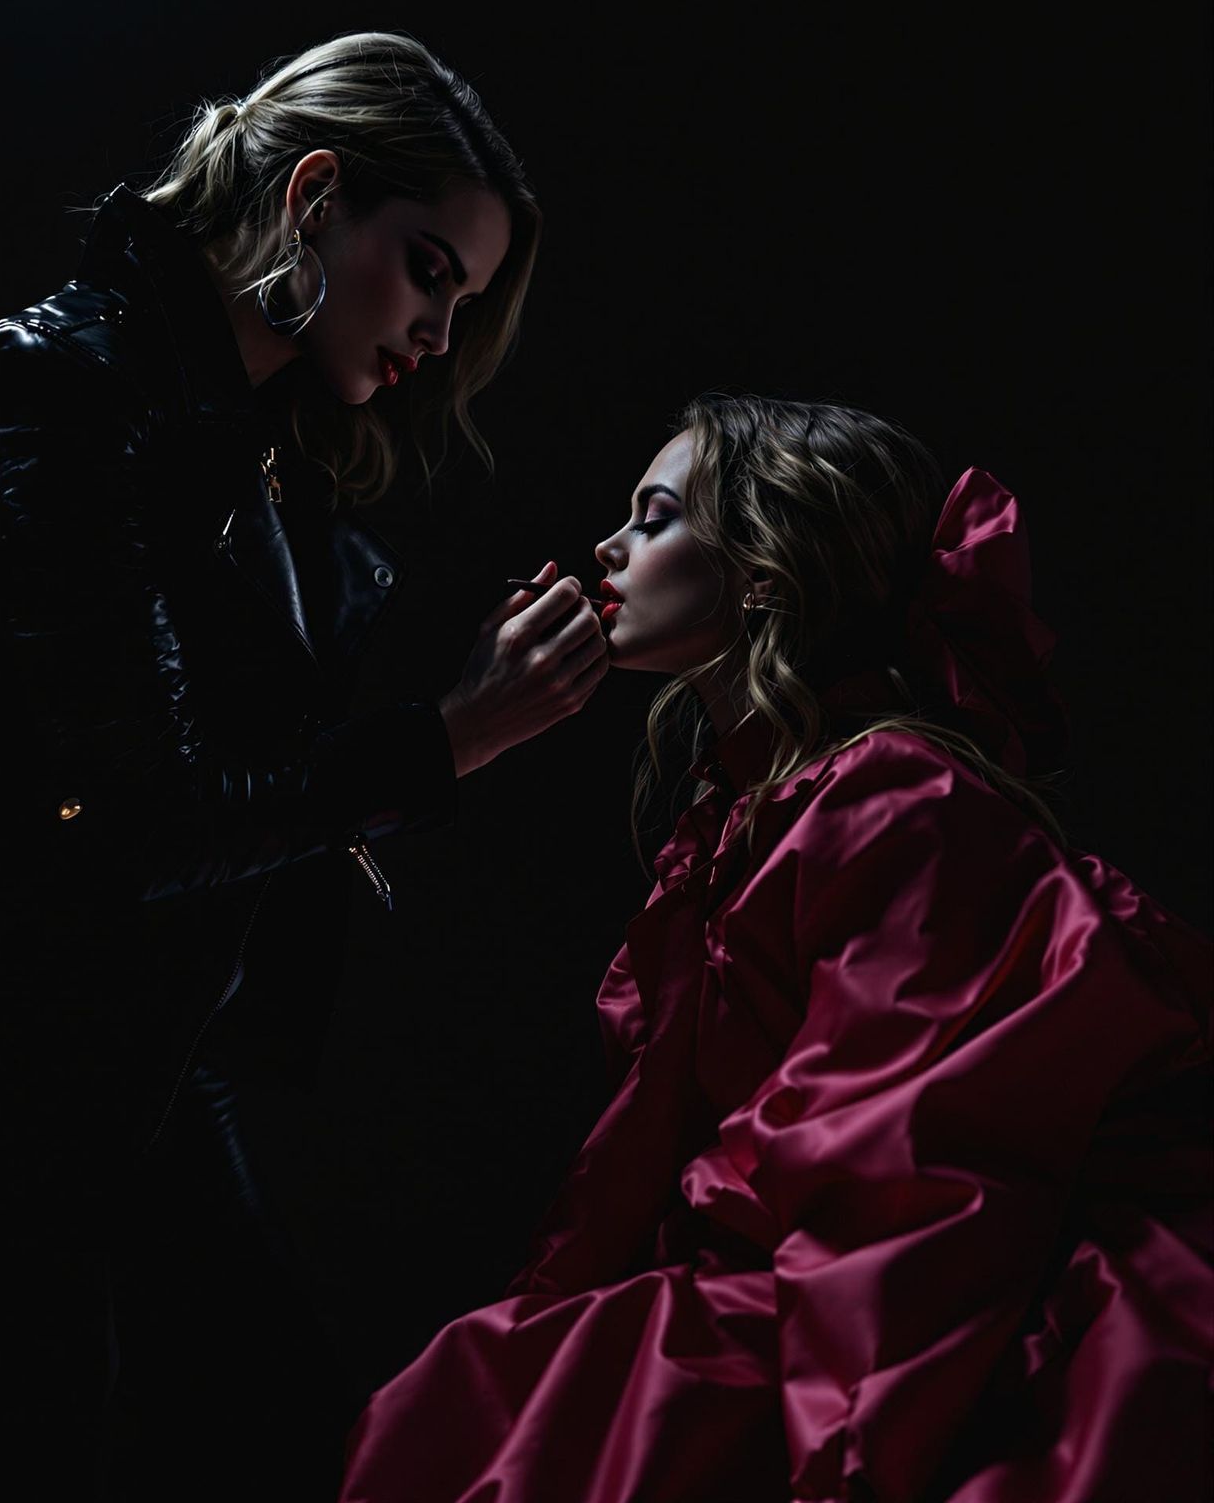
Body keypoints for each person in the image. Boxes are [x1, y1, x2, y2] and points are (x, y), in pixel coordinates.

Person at [0, 31, 610, 1501]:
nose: (436, 332)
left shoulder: (271, 444)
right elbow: (137, 818)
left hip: (138, 1067)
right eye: (428, 267)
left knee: (289, 1435)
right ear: (312, 197)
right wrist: (456, 735)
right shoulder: (66, 384)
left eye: (462, 298)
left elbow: (250, 759)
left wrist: (447, 708)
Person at [339, 393, 1213, 1503]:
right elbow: (651, 1146)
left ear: (759, 574)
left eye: (653, 517)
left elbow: (913, 1159)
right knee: (494, 1391)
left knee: (533, 1410)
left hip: (937, 1278)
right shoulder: (744, 816)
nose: (608, 547)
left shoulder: (892, 796)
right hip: (819, 1253)